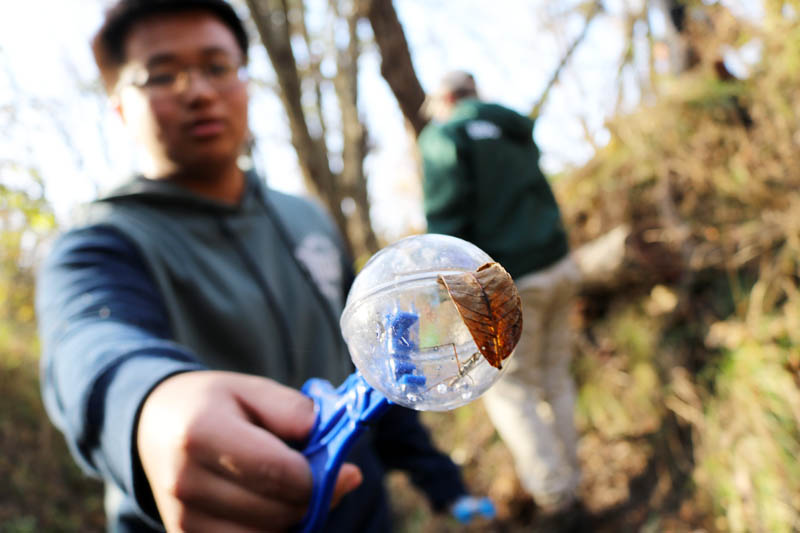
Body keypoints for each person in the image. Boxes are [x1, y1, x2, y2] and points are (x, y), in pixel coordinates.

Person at [35, 2, 475, 531]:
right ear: (120, 107)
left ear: (244, 82)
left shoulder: (305, 219)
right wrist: (149, 405)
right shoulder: (98, 243)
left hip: (359, 509)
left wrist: (440, 480)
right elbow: (87, 346)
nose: (197, 91)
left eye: (217, 67)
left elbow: (375, 367)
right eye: (161, 75)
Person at [418, 71, 583, 516]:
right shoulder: (512, 127)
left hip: (511, 280)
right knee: (554, 377)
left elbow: (446, 215)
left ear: (447, 99)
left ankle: (557, 498)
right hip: (560, 264)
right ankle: (572, 482)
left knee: (510, 390)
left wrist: (445, 286)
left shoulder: (445, 135)